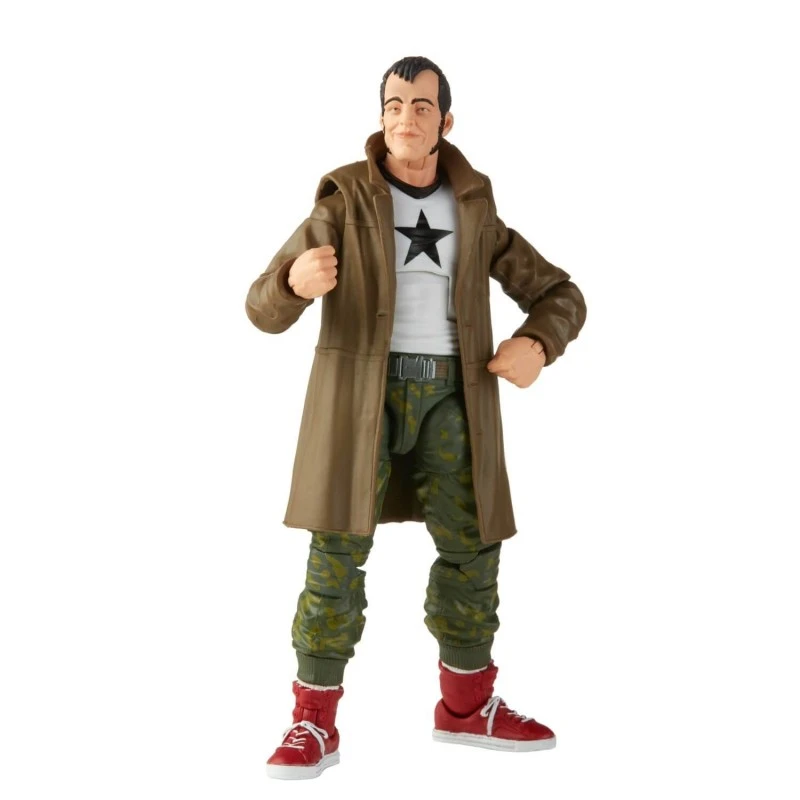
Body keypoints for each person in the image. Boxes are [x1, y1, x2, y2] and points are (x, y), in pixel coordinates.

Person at [245, 56, 587, 780]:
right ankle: (313, 720)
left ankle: (466, 706)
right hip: (358, 399)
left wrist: (536, 344)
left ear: (445, 122)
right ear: (380, 118)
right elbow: (260, 307)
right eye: (395, 104)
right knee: (336, 551)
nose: (407, 117)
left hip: (453, 398)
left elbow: (560, 293)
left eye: (423, 106)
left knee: (474, 545)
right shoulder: (343, 201)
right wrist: (291, 283)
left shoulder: (473, 207)